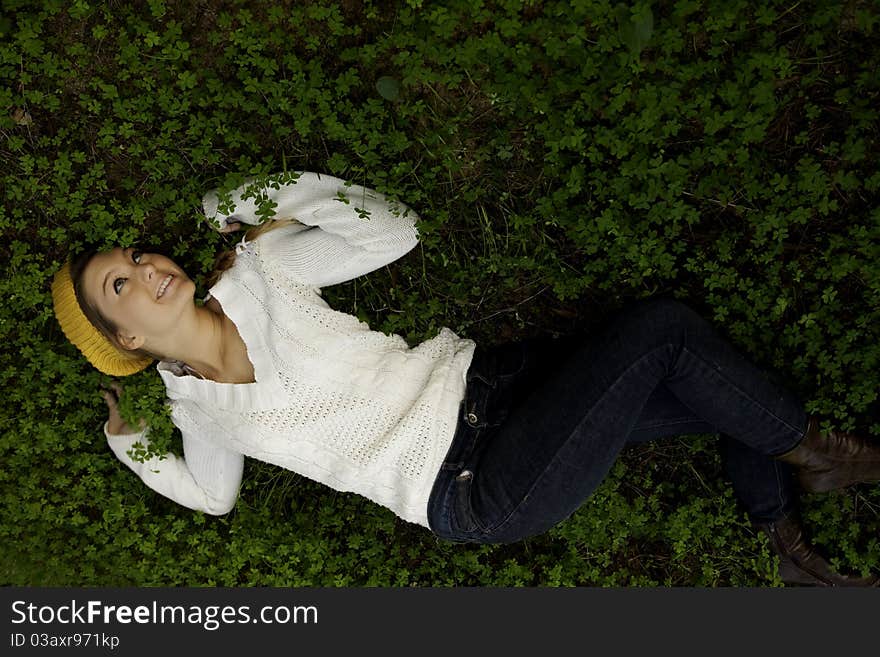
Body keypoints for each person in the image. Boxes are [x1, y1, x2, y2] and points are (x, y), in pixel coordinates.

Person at [51, 171, 880, 586]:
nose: (143, 266)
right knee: (662, 333)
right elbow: (215, 496)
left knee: (708, 386)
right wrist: (132, 445)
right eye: (119, 284)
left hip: (495, 384)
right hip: (473, 486)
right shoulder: (198, 408)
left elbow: (393, 231)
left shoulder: (263, 269)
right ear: (123, 336)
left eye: (132, 255)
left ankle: (784, 533)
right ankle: (816, 450)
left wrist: (263, 195)